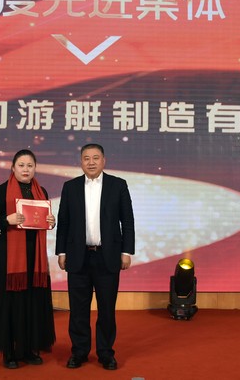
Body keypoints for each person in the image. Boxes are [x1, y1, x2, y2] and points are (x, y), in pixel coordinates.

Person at [56, 143, 135, 371]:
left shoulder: (118, 185)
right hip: (77, 257)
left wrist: (126, 252)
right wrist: (61, 252)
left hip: (107, 257)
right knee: (78, 310)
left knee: (106, 309)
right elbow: (64, 222)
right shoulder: (70, 187)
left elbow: (127, 221)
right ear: (81, 162)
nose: (91, 162)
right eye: (86, 158)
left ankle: (106, 353)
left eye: (95, 158)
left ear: (104, 160)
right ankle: (79, 352)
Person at [0, 149, 56, 369]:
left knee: (33, 301)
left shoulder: (41, 191)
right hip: (10, 254)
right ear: (13, 168)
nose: (26, 169)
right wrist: (8, 219)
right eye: (21, 165)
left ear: (35, 168)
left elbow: (43, 220)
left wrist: (51, 221)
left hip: (35, 254)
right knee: (11, 301)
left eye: (30, 165)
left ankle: (29, 349)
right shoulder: (2, 190)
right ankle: (10, 352)